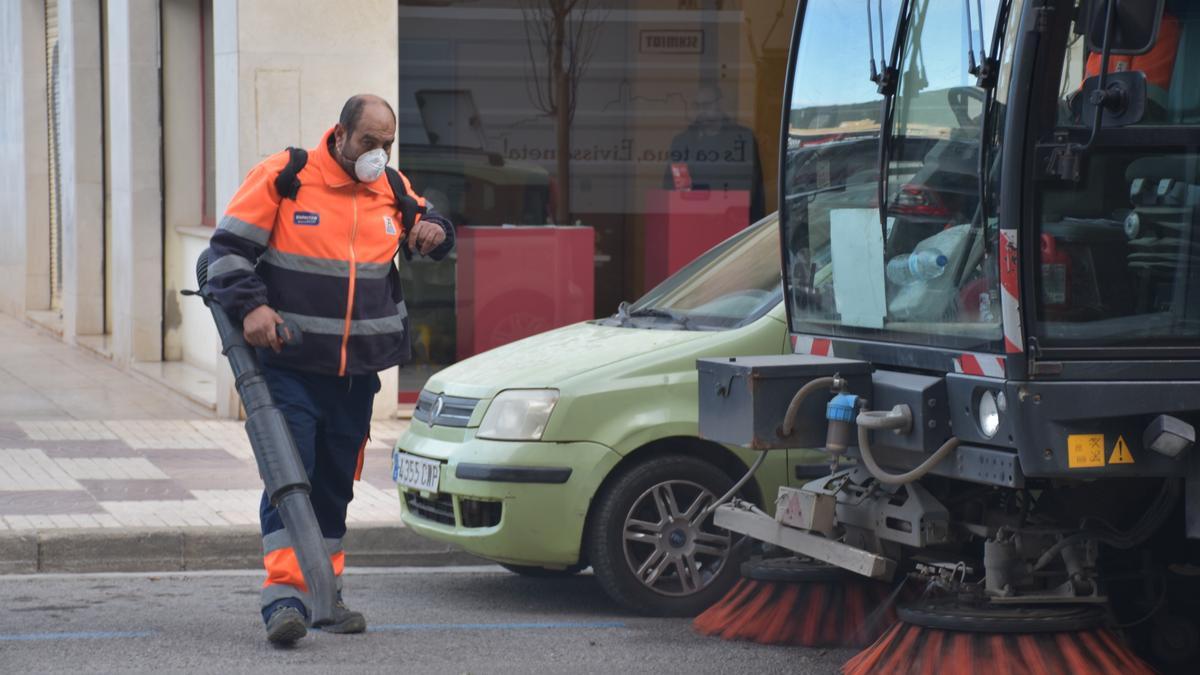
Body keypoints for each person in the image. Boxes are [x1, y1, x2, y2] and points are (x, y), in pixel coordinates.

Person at [206, 94, 453, 645]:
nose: (377, 155)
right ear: (340, 134)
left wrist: (435, 231)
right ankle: (284, 600)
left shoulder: (389, 187)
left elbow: (432, 225)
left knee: (334, 487)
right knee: (290, 475)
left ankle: (325, 596)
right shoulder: (286, 176)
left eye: (386, 145)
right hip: (291, 365)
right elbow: (224, 255)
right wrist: (252, 307)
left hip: (356, 373)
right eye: (369, 143)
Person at [662, 84, 766, 223]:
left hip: (733, 223)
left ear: (719, 105)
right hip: (691, 223)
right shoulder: (682, 142)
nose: (701, 111)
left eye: (706, 105)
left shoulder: (742, 139)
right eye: (697, 106)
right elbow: (673, 186)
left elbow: (750, 187)